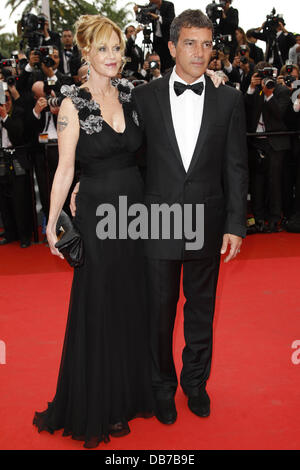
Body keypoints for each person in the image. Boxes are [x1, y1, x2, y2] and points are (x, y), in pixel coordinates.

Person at [32, 15, 153, 449]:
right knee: (100, 304)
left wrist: (212, 75)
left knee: (131, 300)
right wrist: (52, 219)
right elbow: (65, 168)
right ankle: (102, 404)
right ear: (86, 53)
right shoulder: (72, 104)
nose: (112, 57)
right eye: (102, 49)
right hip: (99, 218)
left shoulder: (132, 95)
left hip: (135, 216)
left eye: (117, 49)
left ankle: (131, 391)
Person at [134, 0, 175, 73]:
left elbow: (171, 21)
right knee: (156, 63)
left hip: (167, 40)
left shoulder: (169, 5)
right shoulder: (151, 6)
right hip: (157, 41)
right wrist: (136, 12)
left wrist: (158, 18)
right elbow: (143, 20)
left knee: (169, 64)